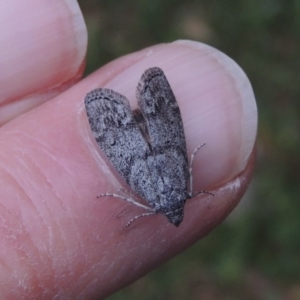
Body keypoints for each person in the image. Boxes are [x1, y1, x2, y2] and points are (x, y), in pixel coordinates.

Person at [0, 1, 257, 298]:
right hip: (150, 150)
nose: (176, 218)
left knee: (144, 146)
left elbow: (181, 172)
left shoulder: (173, 193)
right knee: (155, 139)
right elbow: (179, 170)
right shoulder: (164, 198)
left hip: (148, 151)